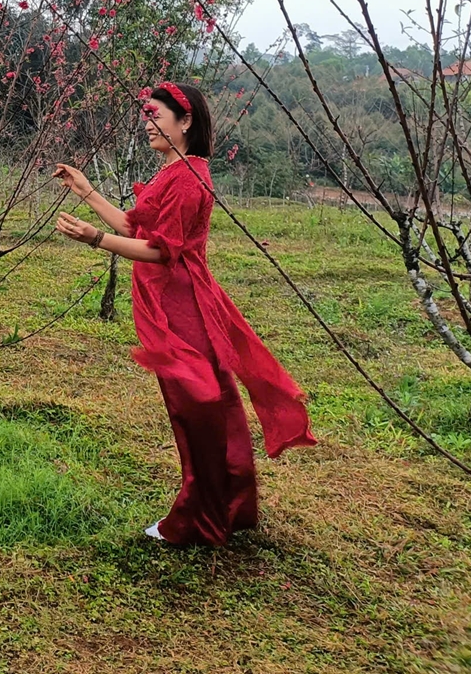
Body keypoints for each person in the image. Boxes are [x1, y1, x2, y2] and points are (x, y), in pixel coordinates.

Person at [53, 81, 315, 546]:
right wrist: (87, 191)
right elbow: (137, 225)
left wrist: (96, 240)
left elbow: (160, 252)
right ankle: (227, 507)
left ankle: (199, 518)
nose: (147, 124)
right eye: (146, 116)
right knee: (207, 406)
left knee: (196, 408)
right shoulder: (174, 172)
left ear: (186, 119)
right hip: (175, 302)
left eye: (155, 115)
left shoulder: (190, 178)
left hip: (184, 307)